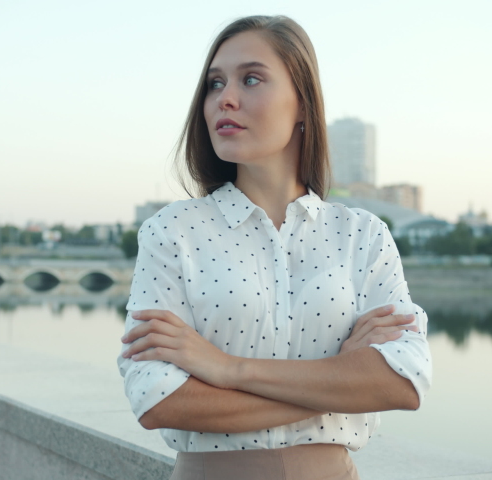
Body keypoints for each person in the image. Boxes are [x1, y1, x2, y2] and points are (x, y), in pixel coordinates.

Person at [117, 15, 432, 480]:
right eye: (215, 83)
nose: (225, 98)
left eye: (251, 79)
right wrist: (340, 379)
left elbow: (403, 382)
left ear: (302, 102)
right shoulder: (172, 232)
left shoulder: (362, 235)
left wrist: (227, 370)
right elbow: (158, 399)